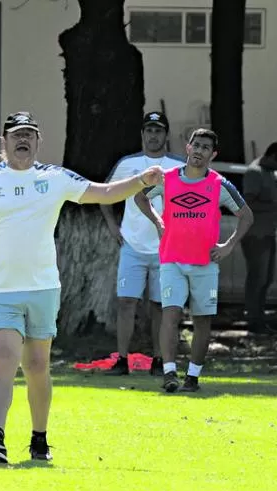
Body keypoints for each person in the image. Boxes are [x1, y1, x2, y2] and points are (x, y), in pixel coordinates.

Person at [0, 111, 164, 464]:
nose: (23, 140)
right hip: (1, 290)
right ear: (4, 142)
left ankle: (39, 437)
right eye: (17, 135)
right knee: (3, 358)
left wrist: (141, 180)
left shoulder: (55, 178)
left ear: (38, 142)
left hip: (43, 288)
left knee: (36, 366)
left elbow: (103, 193)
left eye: (30, 135)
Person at [133, 128, 253, 393]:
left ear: (213, 154)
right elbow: (139, 197)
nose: (199, 151)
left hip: (205, 263)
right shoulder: (167, 179)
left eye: (205, 147)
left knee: (202, 320)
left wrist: (229, 245)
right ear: (187, 148)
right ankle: (169, 373)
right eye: (195, 145)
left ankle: (193, 377)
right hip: (172, 260)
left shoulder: (220, 185)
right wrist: (157, 220)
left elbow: (246, 216)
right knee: (170, 315)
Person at [101, 111, 186, 376]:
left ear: (166, 135)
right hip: (133, 245)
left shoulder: (177, 165)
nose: (153, 136)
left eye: (158, 131)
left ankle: (160, 359)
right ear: (142, 134)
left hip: (165, 248)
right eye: (149, 130)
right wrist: (114, 227)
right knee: (126, 302)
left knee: (159, 306)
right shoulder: (128, 163)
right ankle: (122, 359)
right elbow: (105, 193)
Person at [241, 141, 277, 335]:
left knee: (266, 279)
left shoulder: (268, 173)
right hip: (255, 235)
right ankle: (253, 320)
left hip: (267, 234)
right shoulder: (254, 173)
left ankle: (260, 318)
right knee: (257, 278)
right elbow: (249, 204)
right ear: (273, 157)